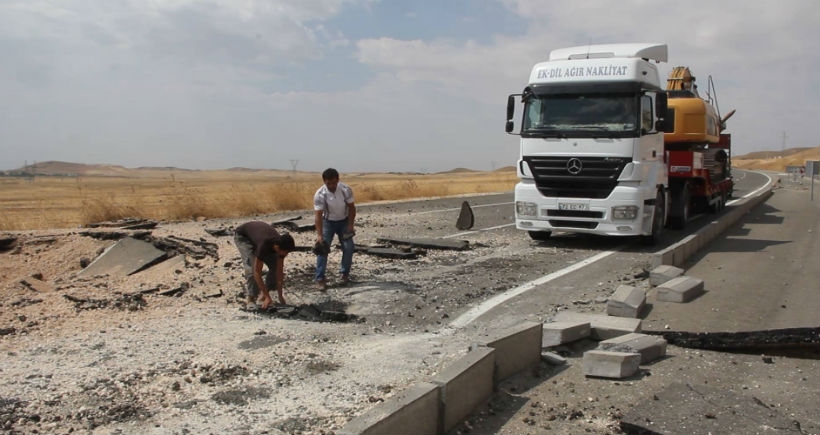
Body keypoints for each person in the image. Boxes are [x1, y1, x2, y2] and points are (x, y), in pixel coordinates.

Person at [233, 221, 295, 309]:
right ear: (277, 248)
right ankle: (251, 298)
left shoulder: (281, 246)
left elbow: (279, 272)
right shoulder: (264, 246)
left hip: (258, 236)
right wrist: (268, 297)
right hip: (243, 236)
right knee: (251, 269)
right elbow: (257, 272)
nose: (286, 255)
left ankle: (263, 296)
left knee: (274, 267)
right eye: (285, 252)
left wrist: (280, 296)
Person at [313, 168, 356, 289]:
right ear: (324, 181)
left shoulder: (345, 190)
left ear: (338, 180)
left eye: (333, 183)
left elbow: (352, 208)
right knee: (322, 248)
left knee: (349, 247)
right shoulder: (320, 194)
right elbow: (318, 215)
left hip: (344, 221)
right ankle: (320, 278)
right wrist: (319, 235)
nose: (331, 186)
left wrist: (350, 226)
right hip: (328, 222)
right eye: (328, 183)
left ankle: (344, 274)